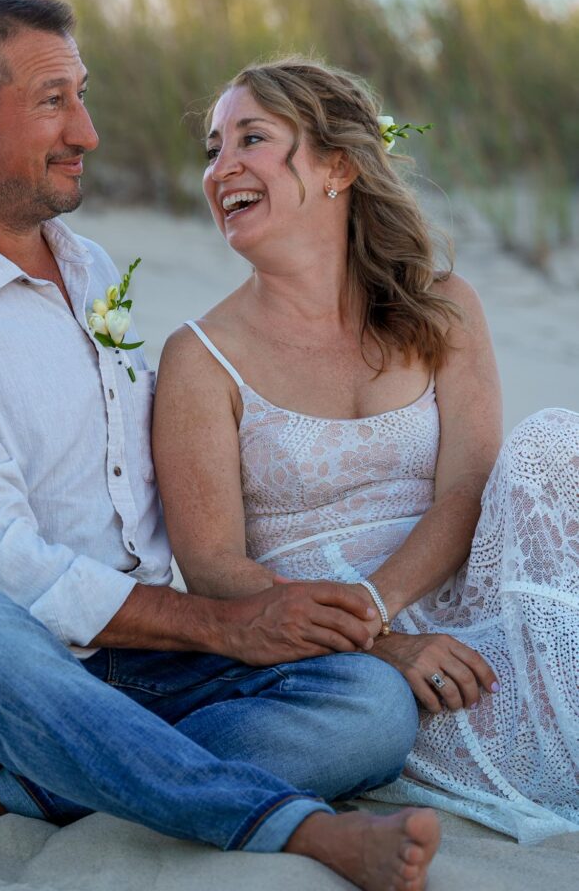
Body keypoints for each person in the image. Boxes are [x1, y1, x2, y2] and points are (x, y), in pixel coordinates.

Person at [0, 0, 441, 891]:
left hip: (138, 661)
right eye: (52, 102)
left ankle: (14, 794)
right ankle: (297, 828)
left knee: (369, 705)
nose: (86, 131)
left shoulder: (91, 269)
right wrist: (224, 625)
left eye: (81, 96)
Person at [153, 55, 579, 845]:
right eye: (213, 148)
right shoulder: (198, 357)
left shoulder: (440, 307)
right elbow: (211, 566)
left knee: (556, 441)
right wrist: (381, 644)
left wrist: (382, 605)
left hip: (457, 601)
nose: (221, 168)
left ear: (337, 167)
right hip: (328, 658)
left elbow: (468, 488)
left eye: (251, 138)